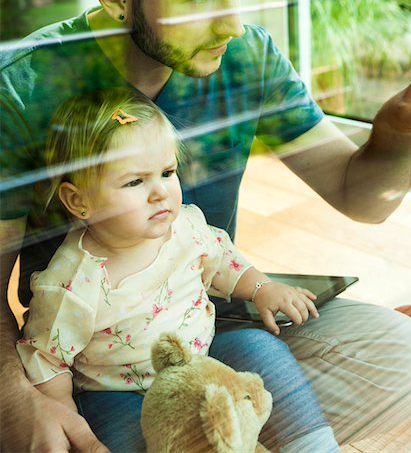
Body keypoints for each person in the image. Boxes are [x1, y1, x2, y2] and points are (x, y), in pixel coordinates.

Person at [0, 0, 411, 452]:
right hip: (98, 365)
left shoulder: (248, 56)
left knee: (405, 354)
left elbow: (360, 197)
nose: (232, 24)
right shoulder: (22, 91)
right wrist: (19, 402)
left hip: (223, 320)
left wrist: (397, 132)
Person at [16, 87, 339, 452]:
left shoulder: (186, 228)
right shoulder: (72, 282)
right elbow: (46, 357)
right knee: (119, 436)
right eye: (135, 181)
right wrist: (62, 411)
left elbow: (223, 261)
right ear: (79, 201)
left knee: (258, 347)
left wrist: (262, 288)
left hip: (202, 358)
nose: (160, 193)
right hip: (119, 391)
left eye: (167, 172)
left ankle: (311, 444)